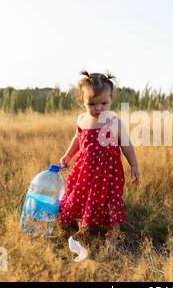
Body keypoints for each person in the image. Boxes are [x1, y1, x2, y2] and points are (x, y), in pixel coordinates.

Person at [58, 70, 140, 250]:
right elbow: (77, 140)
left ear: (111, 99)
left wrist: (134, 165)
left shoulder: (115, 122)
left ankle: (113, 232)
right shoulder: (81, 120)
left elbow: (126, 145)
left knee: (112, 200)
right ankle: (84, 226)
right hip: (85, 169)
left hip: (109, 172)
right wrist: (67, 155)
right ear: (83, 101)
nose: (99, 108)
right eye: (92, 104)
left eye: (104, 103)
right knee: (81, 196)